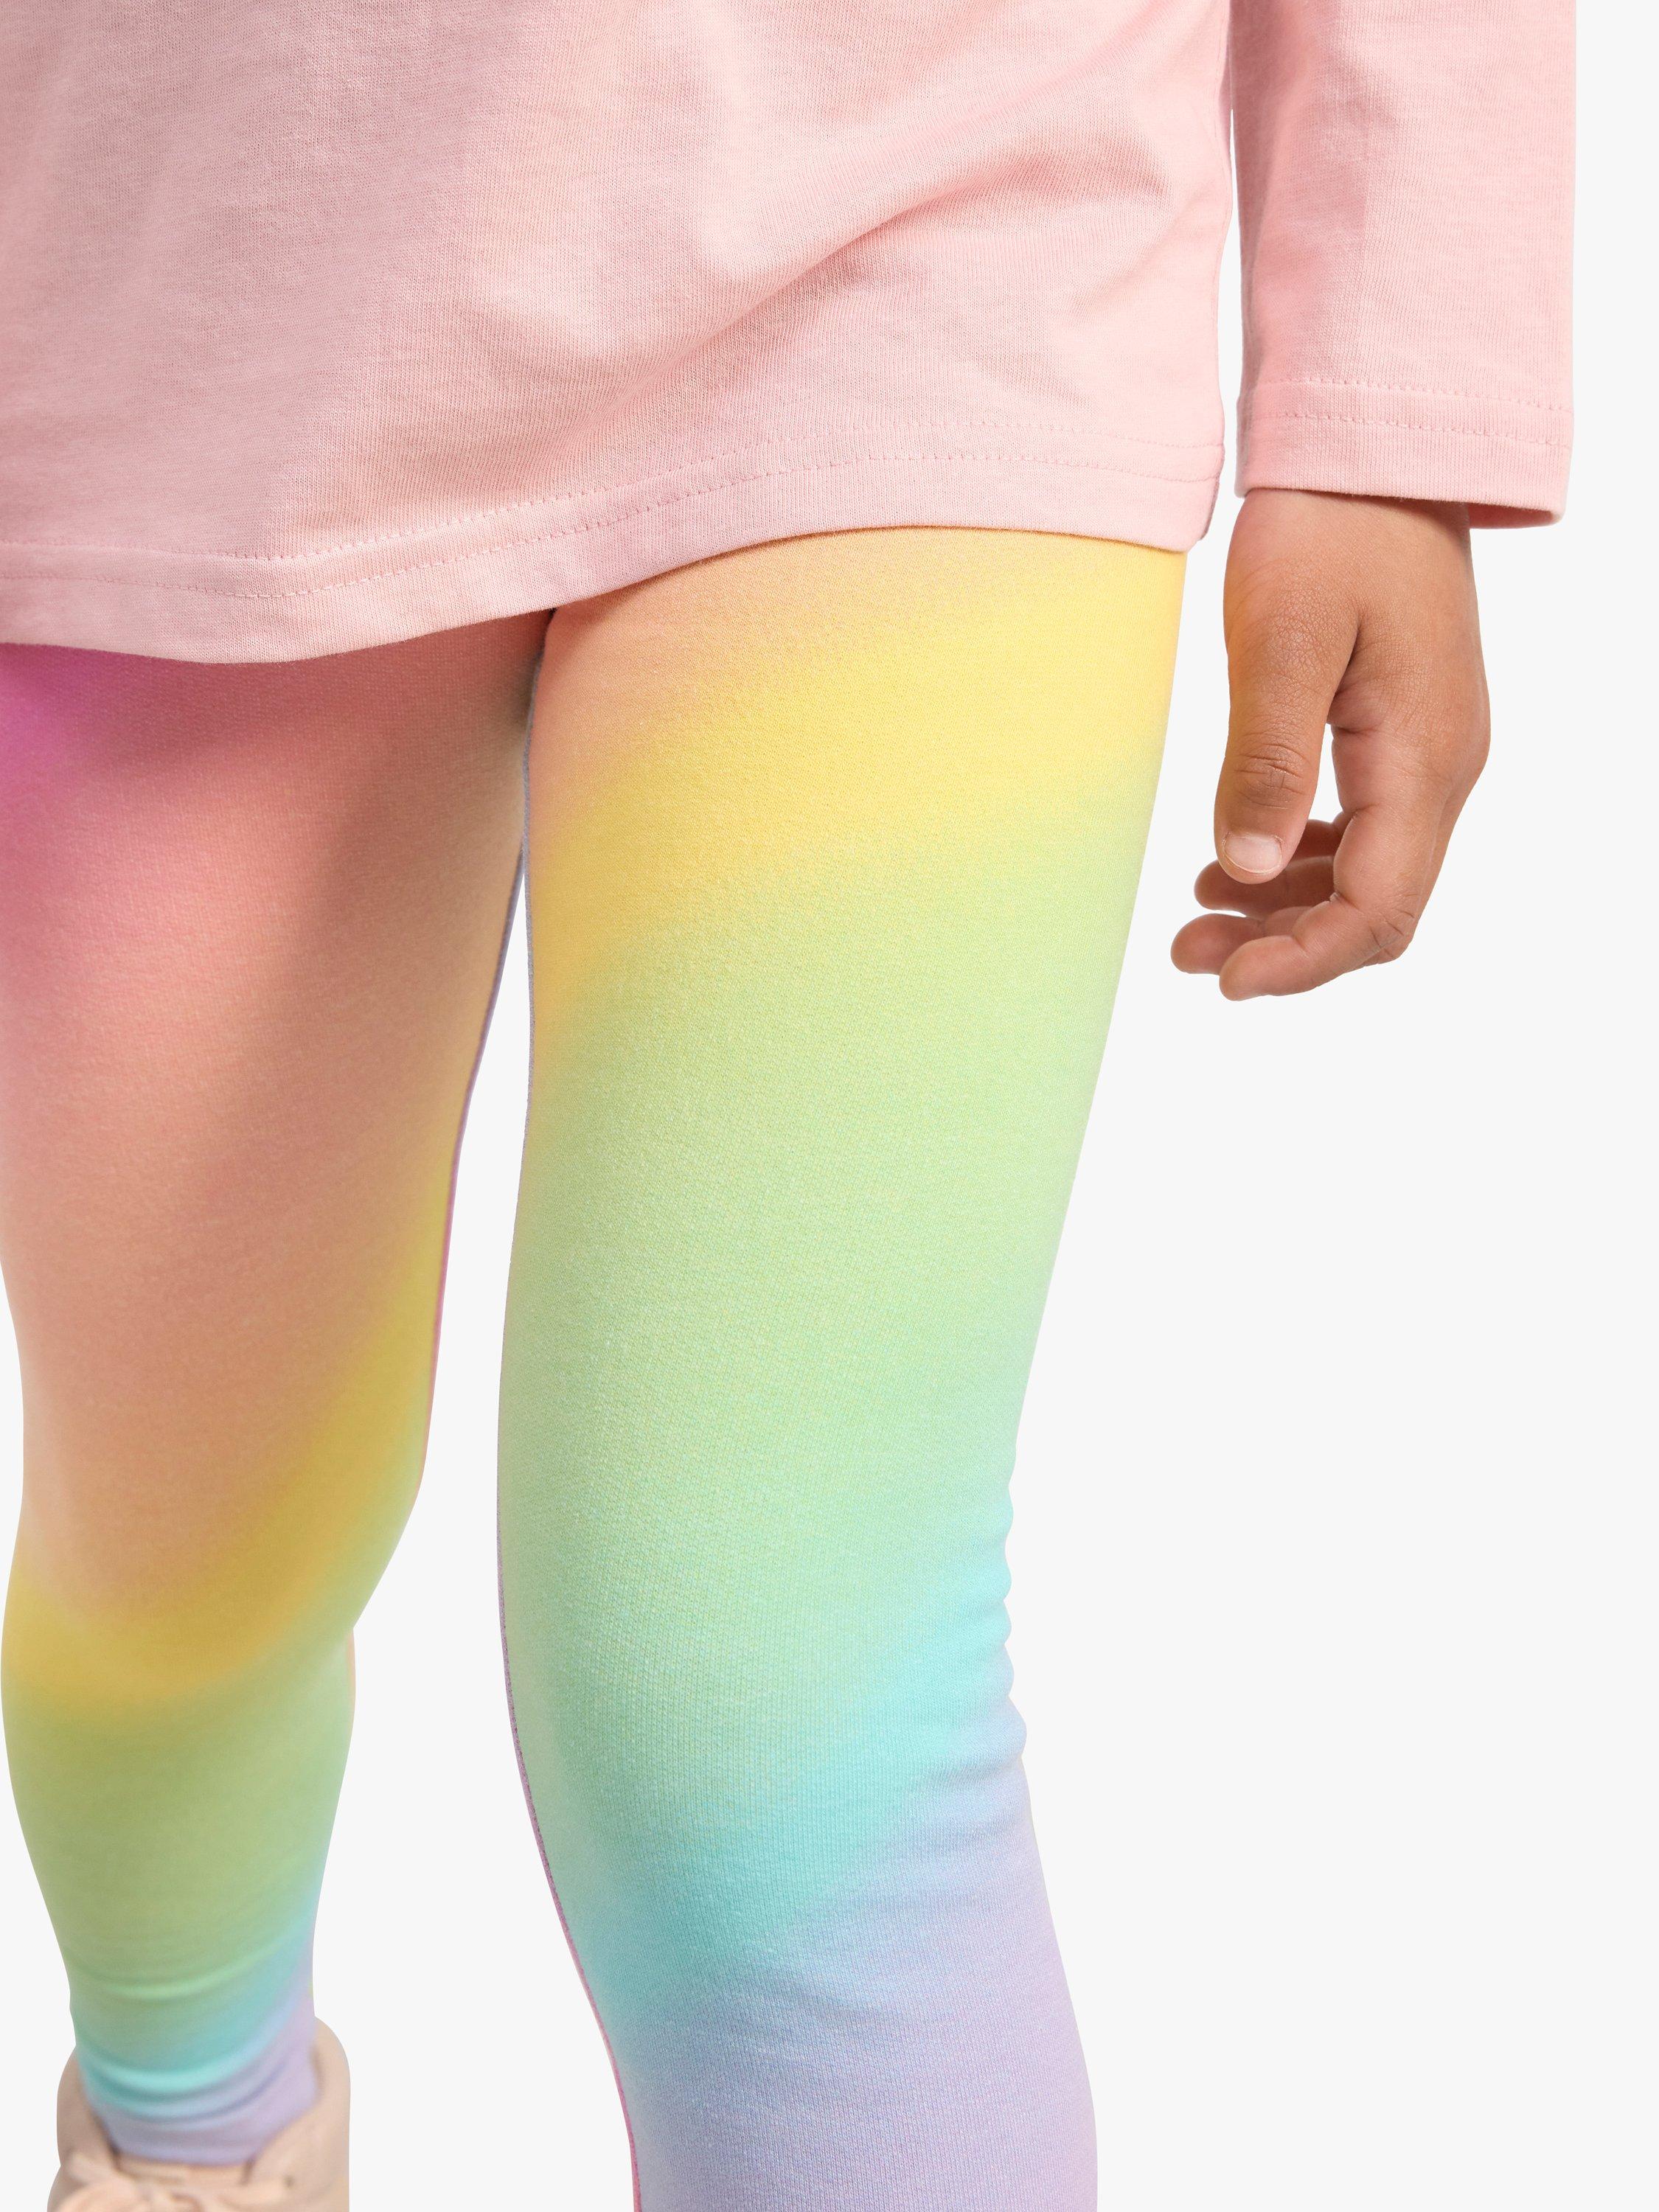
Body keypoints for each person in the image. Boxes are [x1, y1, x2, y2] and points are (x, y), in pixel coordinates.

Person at [0, 2, 1571, 2206]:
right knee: (181, 1574)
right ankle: (199, 2143)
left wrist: (1386, 398)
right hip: (166, 299)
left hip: (934, 235)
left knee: (764, 1705)